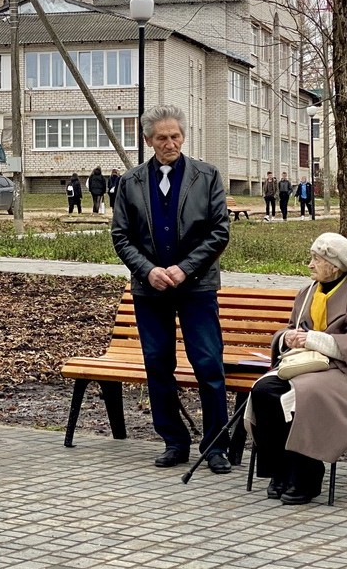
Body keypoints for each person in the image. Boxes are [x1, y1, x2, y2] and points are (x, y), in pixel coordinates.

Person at [111, 104, 233, 474]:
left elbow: (219, 232)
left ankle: (215, 447)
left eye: (175, 136)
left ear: (184, 136)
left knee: (208, 364)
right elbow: (121, 236)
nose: (170, 143)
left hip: (196, 287)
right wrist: (148, 271)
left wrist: (185, 269)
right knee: (158, 364)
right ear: (148, 140)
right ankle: (174, 441)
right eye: (161, 138)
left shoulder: (206, 176)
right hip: (151, 291)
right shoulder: (131, 182)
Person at [249, 233, 347, 505]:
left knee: (302, 394)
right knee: (263, 390)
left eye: (316, 259)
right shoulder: (306, 292)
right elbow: (290, 329)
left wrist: (314, 340)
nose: (309, 264)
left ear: (334, 265)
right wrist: (286, 338)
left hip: (344, 374)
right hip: (304, 366)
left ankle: (307, 475)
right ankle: (280, 470)